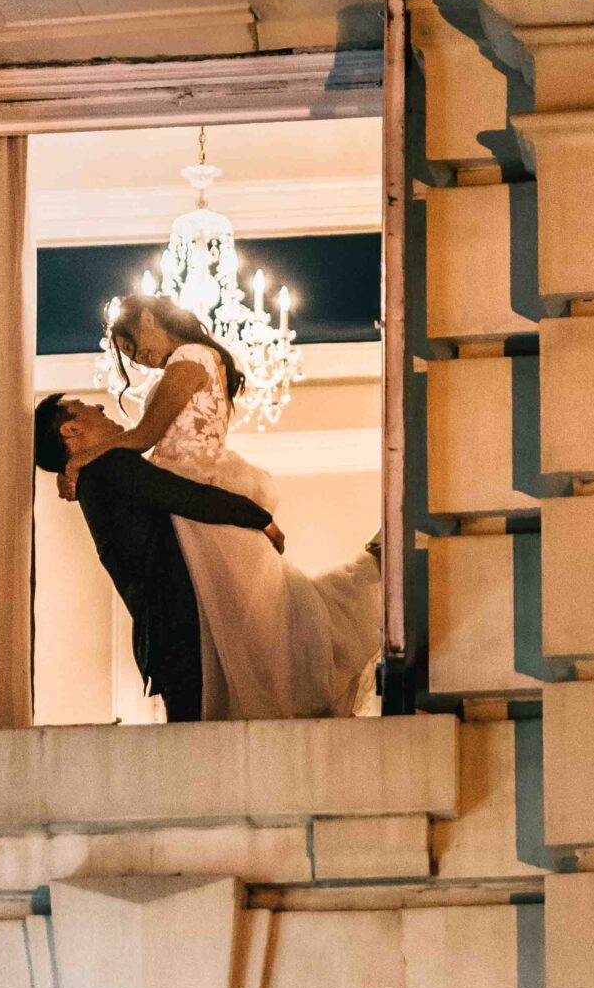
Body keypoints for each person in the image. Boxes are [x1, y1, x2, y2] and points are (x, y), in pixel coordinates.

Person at [61, 292, 381, 721]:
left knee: (239, 628)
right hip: (188, 485)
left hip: (193, 481)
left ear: (151, 318)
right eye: (129, 357)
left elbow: (143, 436)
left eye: (133, 347)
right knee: (240, 630)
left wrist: (82, 458)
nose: (140, 361)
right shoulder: (200, 359)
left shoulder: (190, 357)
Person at [34, 391, 283, 724]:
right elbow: (187, 497)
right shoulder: (108, 466)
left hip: (164, 634)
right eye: (83, 408)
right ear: (70, 430)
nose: (98, 407)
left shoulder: (95, 480)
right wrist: (261, 519)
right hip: (179, 629)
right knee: (200, 742)